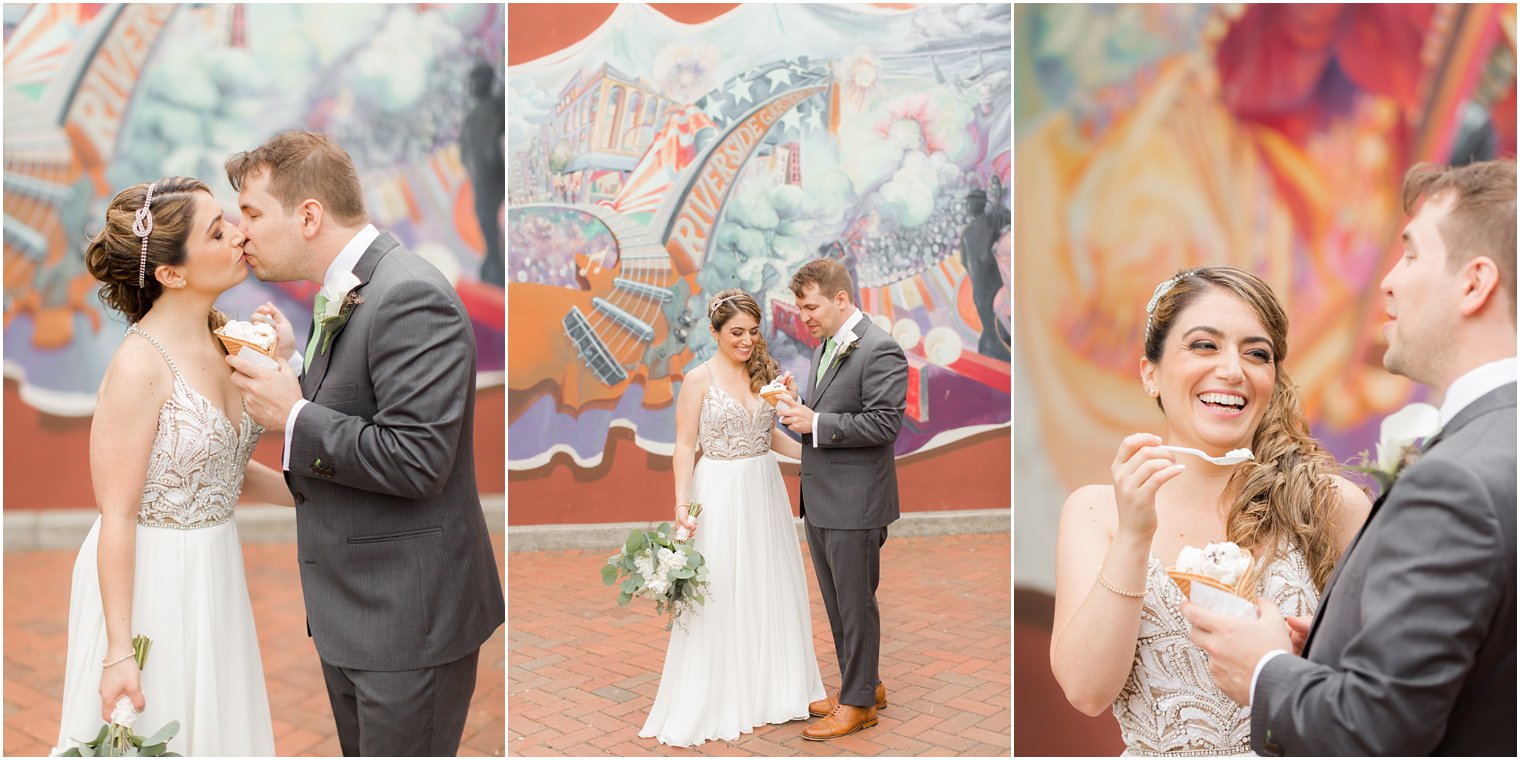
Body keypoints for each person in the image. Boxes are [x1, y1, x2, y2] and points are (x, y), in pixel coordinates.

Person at [1186, 160, 1516, 756]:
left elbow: (1377, 733)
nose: (1388, 281)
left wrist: (1263, 671)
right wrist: (1334, 650)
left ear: (1474, 283)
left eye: (1411, 254)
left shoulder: (1458, 482)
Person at [220, 131, 505, 756]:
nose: (240, 233)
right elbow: (366, 403)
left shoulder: (408, 294)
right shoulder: (352, 289)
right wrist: (298, 373)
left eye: (251, 213)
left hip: (409, 621)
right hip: (359, 617)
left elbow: (416, 459)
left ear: (309, 215)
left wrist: (292, 415)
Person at [1050, 264, 1372, 755]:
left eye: (1256, 353)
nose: (1231, 370)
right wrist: (1135, 535)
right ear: (1150, 373)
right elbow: (1087, 691)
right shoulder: (1097, 511)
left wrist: (1316, 663)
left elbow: (1388, 690)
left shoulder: (1330, 505)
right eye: (1204, 345)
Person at [55, 177, 296, 755]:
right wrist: (118, 652)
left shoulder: (226, 340)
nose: (239, 235)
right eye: (218, 231)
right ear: (172, 273)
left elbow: (223, 474)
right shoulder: (139, 367)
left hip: (215, 569)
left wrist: (326, 489)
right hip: (150, 582)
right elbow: (117, 514)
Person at [640, 289, 826, 747]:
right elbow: (685, 445)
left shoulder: (765, 372)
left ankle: (775, 689)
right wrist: (682, 507)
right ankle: (724, 691)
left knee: (769, 583)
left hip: (763, 490)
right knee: (721, 588)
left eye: (753, 332)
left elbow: (768, 438)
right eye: (737, 333)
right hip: (718, 490)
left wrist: (813, 455)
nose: (746, 341)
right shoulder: (698, 379)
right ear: (715, 332)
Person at [779, 259, 908, 741]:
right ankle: (864, 685)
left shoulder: (880, 348)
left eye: (810, 306)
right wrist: (799, 410)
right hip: (822, 496)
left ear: (840, 298)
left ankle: (858, 705)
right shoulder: (826, 347)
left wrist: (816, 424)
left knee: (856, 603)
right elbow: (832, 413)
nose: (804, 316)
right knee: (837, 603)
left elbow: (885, 424)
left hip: (856, 501)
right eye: (799, 307)